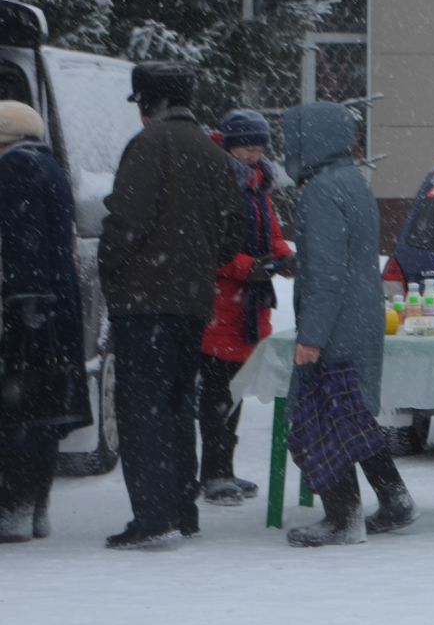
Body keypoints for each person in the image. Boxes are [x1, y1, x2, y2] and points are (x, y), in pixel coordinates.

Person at [97, 63, 244, 549]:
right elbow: (232, 236)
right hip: (193, 303)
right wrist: (196, 265)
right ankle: (182, 508)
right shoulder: (212, 151)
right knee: (180, 405)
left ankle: (152, 516)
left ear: (148, 103)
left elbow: (124, 223)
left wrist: (112, 270)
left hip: (145, 302)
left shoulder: (149, 146)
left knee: (143, 409)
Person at [280, 101, 414, 546]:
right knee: (352, 415)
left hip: (335, 323)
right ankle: (395, 500)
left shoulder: (321, 190)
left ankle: (343, 518)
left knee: (321, 418)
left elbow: (327, 271)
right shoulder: (351, 181)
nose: (286, 149)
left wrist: (312, 336)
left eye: (291, 139)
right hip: (360, 316)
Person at [0, 102, 92, 542]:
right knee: (40, 411)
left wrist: (24, 303)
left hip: (26, 310)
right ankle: (35, 509)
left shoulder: (14, 168)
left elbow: (23, 241)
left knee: (16, 411)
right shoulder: (49, 167)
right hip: (55, 309)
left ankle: (12, 512)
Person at [196, 110, 293, 507]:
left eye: (259, 149)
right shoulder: (217, 181)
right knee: (217, 394)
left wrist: (284, 257)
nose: (255, 155)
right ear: (231, 144)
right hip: (220, 305)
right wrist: (245, 268)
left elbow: (272, 231)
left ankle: (224, 469)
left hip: (246, 305)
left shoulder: (257, 184)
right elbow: (207, 245)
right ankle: (214, 474)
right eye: (248, 148)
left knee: (232, 394)